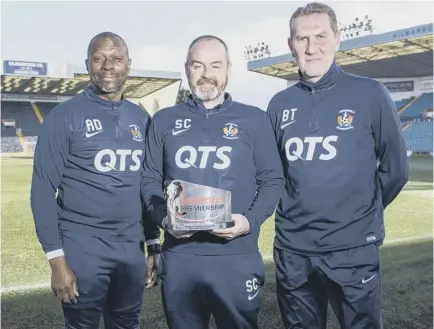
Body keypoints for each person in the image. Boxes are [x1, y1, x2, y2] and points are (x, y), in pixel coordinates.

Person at [266, 3, 409, 329]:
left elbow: (396, 170)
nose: (311, 47)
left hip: (352, 250)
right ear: (291, 45)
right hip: (293, 251)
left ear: (338, 38)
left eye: (320, 36)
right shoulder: (279, 105)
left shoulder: (371, 94)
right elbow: (274, 176)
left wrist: (360, 212)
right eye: (302, 38)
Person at [141, 35, 284, 329]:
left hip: (237, 258)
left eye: (215, 65)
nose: (206, 74)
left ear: (228, 68)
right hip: (180, 259)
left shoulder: (255, 120)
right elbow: (149, 181)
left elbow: (272, 180)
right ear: (187, 69)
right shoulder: (164, 120)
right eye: (198, 65)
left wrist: (251, 220)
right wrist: (163, 220)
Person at [30, 31, 160, 329]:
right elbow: (41, 191)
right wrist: (56, 261)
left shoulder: (141, 120)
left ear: (129, 64)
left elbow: (147, 187)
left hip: (130, 248)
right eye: (99, 58)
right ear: (87, 64)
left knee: (128, 324)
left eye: (116, 59)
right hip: (83, 248)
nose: (107, 66)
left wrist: (153, 244)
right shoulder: (64, 116)